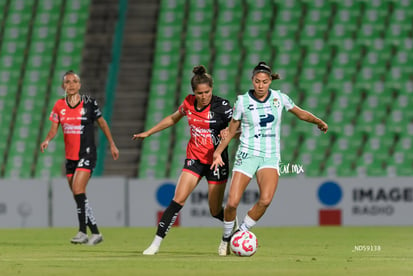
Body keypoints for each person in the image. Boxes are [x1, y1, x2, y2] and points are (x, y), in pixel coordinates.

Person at [211, 61, 328, 256]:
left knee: (265, 200)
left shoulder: (279, 98)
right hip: (247, 154)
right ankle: (225, 239)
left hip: (270, 156)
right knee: (232, 203)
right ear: (252, 80)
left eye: (264, 82)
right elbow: (232, 130)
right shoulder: (242, 101)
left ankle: (239, 234)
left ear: (270, 81)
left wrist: (318, 121)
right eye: (257, 81)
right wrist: (218, 152)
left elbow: (300, 113)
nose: (260, 85)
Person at [133, 65, 233, 255]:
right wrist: (149, 132)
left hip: (216, 161)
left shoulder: (223, 107)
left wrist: (230, 132)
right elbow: (173, 118)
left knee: (214, 210)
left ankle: (230, 225)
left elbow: (239, 128)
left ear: (212, 89)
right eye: (199, 93)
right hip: (194, 158)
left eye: (207, 92)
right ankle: (155, 244)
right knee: (177, 200)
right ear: (193, 92)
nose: (204, 96)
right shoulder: (188, 103)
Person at [40, 70, 119, 245]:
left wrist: (112, 143)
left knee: (78, 190)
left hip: (87, 153)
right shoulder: (59, 105)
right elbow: (54, 129)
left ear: (80, 85)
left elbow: (102, 123)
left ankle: (82, 232)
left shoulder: (89, 103)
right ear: (63, 86)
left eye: (74, 81)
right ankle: (96, 233)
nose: (71, 84)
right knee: (79, 195)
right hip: (71, 158)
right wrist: (47, 140)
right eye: (67, 82)